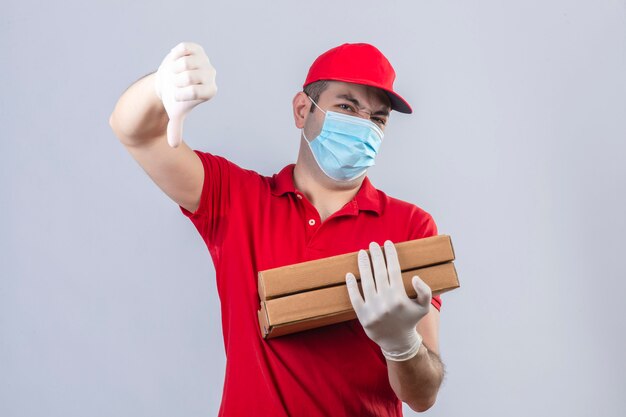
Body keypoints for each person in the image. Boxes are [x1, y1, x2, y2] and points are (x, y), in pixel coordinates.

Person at [109, 41, 445, 416]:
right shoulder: (236, 199)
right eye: (347, 107)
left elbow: (422, 395)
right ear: (303, 110)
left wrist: (402, 344)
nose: (363, 126)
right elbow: (135, 132)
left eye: (378, 118)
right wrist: (160, 87)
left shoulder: (411, 226)